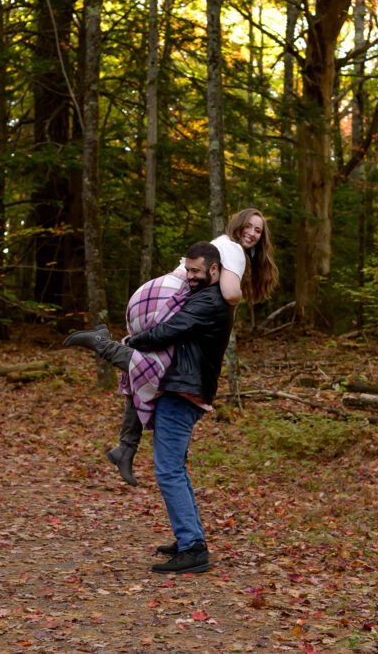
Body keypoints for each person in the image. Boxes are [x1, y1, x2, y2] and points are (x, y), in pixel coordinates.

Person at [64, 208, 277, 486]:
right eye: (248, 226)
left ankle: (126, 448)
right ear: (237, 226)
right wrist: (227, 312)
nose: (251, 233)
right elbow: (230, 293)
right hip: (169, 296)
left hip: (153, 294)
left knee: (146, 368)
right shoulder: (234, 249)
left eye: (258, 230)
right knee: (154, 366)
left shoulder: (224, 245)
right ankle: (101, 342)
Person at [68, 242, 234, 573]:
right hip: (181, 387)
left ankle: (193, 548)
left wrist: (135, 340)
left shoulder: (209, 300)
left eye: (197, 271)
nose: (190, 276)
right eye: (187, 270)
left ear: (214, 270)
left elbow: (169, 330)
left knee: (169, 470)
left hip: (182, 392)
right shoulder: (200, 294)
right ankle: (190, 538)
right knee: (175, 469)